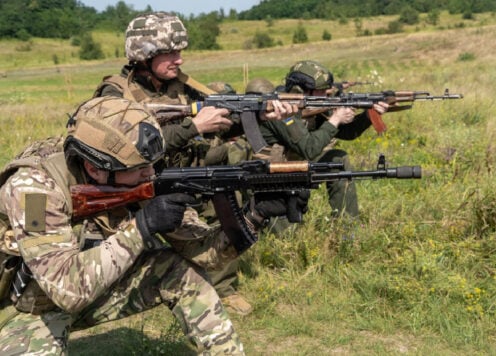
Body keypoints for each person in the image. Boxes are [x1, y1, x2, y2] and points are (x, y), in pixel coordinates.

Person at [0, 97, 307, 354]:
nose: (151, 173)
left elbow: (204, 254)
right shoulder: (33, 193)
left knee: (177, 270)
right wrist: (142, 227)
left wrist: (256, 215)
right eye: (140, 168)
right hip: (19, 309)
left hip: (76, 294)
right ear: (95, 168)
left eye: (153, 165)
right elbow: (68, 289)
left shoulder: (133, 179)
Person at [93, 12, 298, 316]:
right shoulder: (115, 93)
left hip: (188, 174)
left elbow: (220, 125)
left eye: (180, 52)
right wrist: (193, 128)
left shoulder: (183, 86)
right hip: (138, 185)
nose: (179, 60)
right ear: (144, 54)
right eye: (170, 52)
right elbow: (125, 144)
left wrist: (255, 116)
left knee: (223, 202)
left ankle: (223, 289)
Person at [256, 61, 389, 220]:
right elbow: (309, 149)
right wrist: (336, 118)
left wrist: (368, 116)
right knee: (285, 237)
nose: (327, 95)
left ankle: (347, 226)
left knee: (338, 159)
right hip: (269, 182)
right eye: (322, 91)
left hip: (292, 169)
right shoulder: (279, 109)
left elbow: (347, 133)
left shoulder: (311, 106)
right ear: (301, 91)